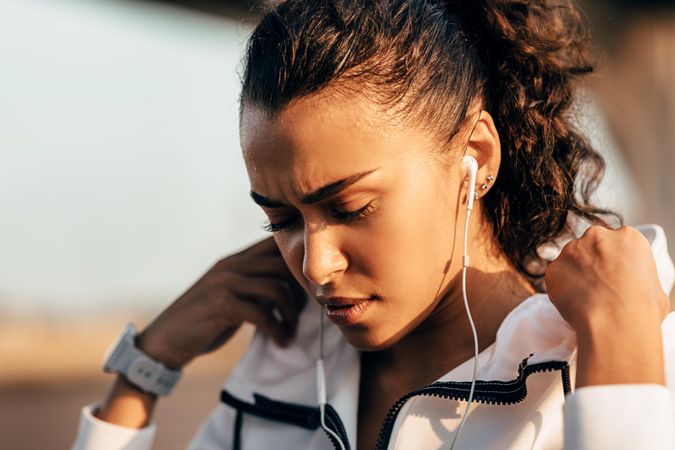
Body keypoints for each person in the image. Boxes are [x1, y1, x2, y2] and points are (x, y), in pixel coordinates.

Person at [71, 0, 675, 449]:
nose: (314, 263)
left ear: (478, 157)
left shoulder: (609, 356)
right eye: (280, 219)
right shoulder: (284, 366)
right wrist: (146, 368)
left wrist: (621, 341)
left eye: (350, 208)